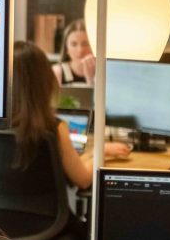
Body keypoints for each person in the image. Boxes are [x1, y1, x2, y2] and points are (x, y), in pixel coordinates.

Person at [12, 42, 130, 194]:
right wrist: (103, 152)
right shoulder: (53, 128)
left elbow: (74, 166)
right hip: (51, 218)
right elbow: (83, 179)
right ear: (44, 81)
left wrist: (94, 153)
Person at [52, 19, 95, 86]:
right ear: (66, 49)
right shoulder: (57, 72)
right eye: (74, 44)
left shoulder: (104, 73)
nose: (80, 50)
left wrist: (90, 79)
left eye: (85, 44)